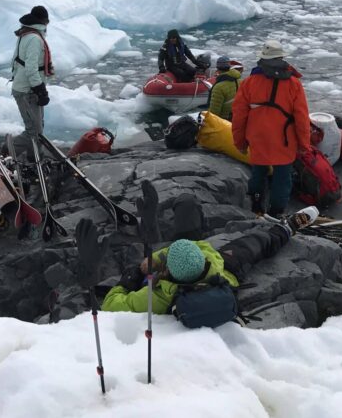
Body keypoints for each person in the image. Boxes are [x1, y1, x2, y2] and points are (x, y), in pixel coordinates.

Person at [101, 226, 290, 313]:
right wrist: (160, 258)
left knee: (252, 245)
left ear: (168, 270)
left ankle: (283, 230)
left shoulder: (160, 297)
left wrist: (127, 282)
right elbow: (196, 245)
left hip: (192, 283)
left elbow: (110, 305)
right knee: (253, 244)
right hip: (226, 275)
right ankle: (284, 230)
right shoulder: (209, 258)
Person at [232, 39, 311, 218]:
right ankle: (276, 213)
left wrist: (240, 142)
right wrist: (304, 144)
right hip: (284, 140)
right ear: (282, 58)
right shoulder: (294, 84)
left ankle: (257, 207)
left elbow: (239, 117)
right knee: (282, 178)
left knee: (258, 173)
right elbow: (301, 118)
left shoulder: (249, 83)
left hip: (257, 137)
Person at [11, 5, 53, 144]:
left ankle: (34, 158)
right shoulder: (35, 38)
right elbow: (31, 68)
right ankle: (7, 150)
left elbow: (17, 61)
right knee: (34, 132)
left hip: (27, 88)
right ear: (43, 21)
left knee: (37, 129)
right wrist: (40, 90)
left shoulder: (26, 33)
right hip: (26, 90)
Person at [206, 56, 241, 120]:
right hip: (237, 116)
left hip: (224, 120)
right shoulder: (240, 80)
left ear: (218, 69)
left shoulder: (218, 87)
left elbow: (214, 112)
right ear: (229, 67)